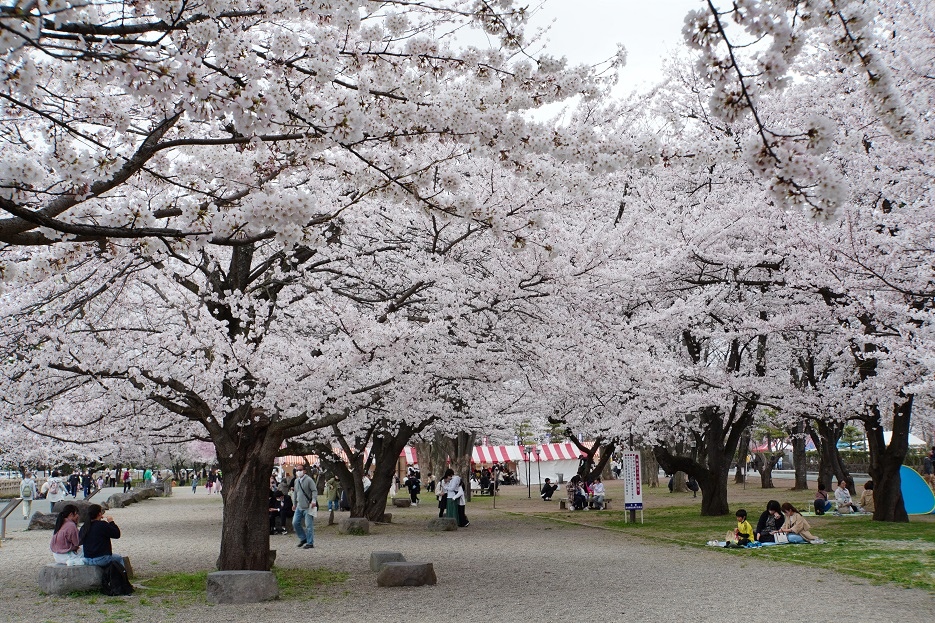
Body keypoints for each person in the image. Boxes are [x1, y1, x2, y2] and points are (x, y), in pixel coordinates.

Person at [80, 503, 125, 568]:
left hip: (88, 558)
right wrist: (111, 522)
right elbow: (117, 534)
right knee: (119, 558)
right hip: (101, 558)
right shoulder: (102, 525)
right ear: (99, 514)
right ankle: (122, 576)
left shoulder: (84, 527)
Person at [292, 465, 318, 549]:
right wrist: (294, 503)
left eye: (300, 470)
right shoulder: (296, 481)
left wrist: (313, 500)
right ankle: (303, 538)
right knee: (295, 522)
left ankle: (310, 542)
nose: (298, 471)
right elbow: (295, 493)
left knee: (308, 525)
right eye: (297, 470)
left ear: (304, 471)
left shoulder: (309, 480)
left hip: (308, 506)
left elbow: (314, 491)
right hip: (299, 506)